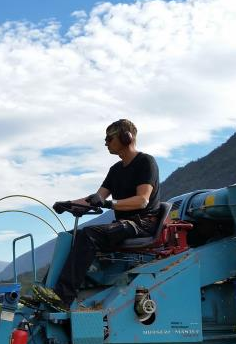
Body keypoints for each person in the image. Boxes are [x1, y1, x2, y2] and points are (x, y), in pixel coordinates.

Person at [50, 119, 160, 308]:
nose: (106, 143)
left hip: (142, 223)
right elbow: (96, 198)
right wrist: (68, 204)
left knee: (89, 235)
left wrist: (110, 203)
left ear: (126, 137)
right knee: (72, 237)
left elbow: (142, 200)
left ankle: (63, 299)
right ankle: (49, 291)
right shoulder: (115, 170)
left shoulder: (145, 162)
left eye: (109, 138)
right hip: (125, 225)